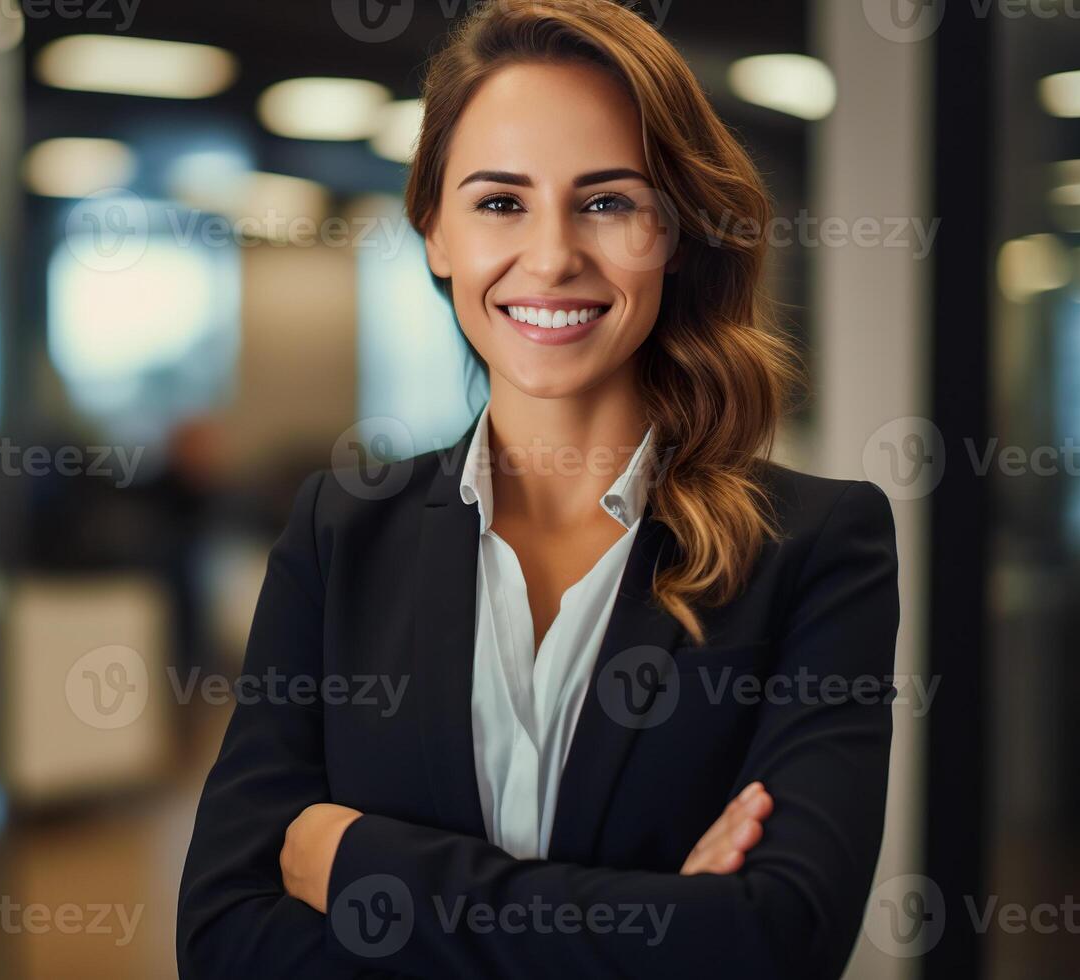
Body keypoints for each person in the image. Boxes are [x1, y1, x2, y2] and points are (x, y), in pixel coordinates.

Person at [178, 1, 901, 976]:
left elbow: (771, 941)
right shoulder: (338, 532)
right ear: (433, 230)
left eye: (605, 200)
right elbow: (225, 939)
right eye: (498, 202)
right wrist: (649, 931)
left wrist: (353, 860)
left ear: (675, 231)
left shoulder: (815, 548)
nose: (552, 255)